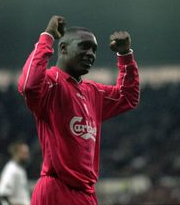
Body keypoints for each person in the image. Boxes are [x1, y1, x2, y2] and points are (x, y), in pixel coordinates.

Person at [18, 15, 140, 205]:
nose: (91, 53)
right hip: (56, 190)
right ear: (63, 48)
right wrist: (48, 36)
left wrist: (125, 56)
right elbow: (29, 85)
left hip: (86, 194)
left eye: (94, 49)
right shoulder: (51, 84)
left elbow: (128, 97)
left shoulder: (93, 92)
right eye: (84, 46)